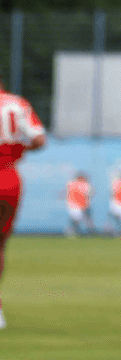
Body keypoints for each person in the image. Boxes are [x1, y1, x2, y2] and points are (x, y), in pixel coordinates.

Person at [0, 84, 47, 327]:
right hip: (9, 177)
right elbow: (39, 139)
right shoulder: (17, 104)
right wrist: (18, 148)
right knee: (1, 244)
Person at [65, 172, 93, 237]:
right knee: (77, 218)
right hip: (74, 205)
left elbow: (89, 195)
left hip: (84, 206)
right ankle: (72, 231)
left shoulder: (86, 185)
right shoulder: (72, 184)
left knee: (87, 221)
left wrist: (86, 204)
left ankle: (89, 232)